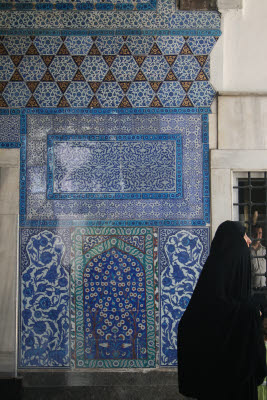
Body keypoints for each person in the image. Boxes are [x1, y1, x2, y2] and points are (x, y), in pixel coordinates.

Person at [177, 221, 267, 400]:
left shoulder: (201, 306)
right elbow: (257, 369)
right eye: (244, 236)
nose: (249, 240)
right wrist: (251, 316)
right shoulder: (246, 314)